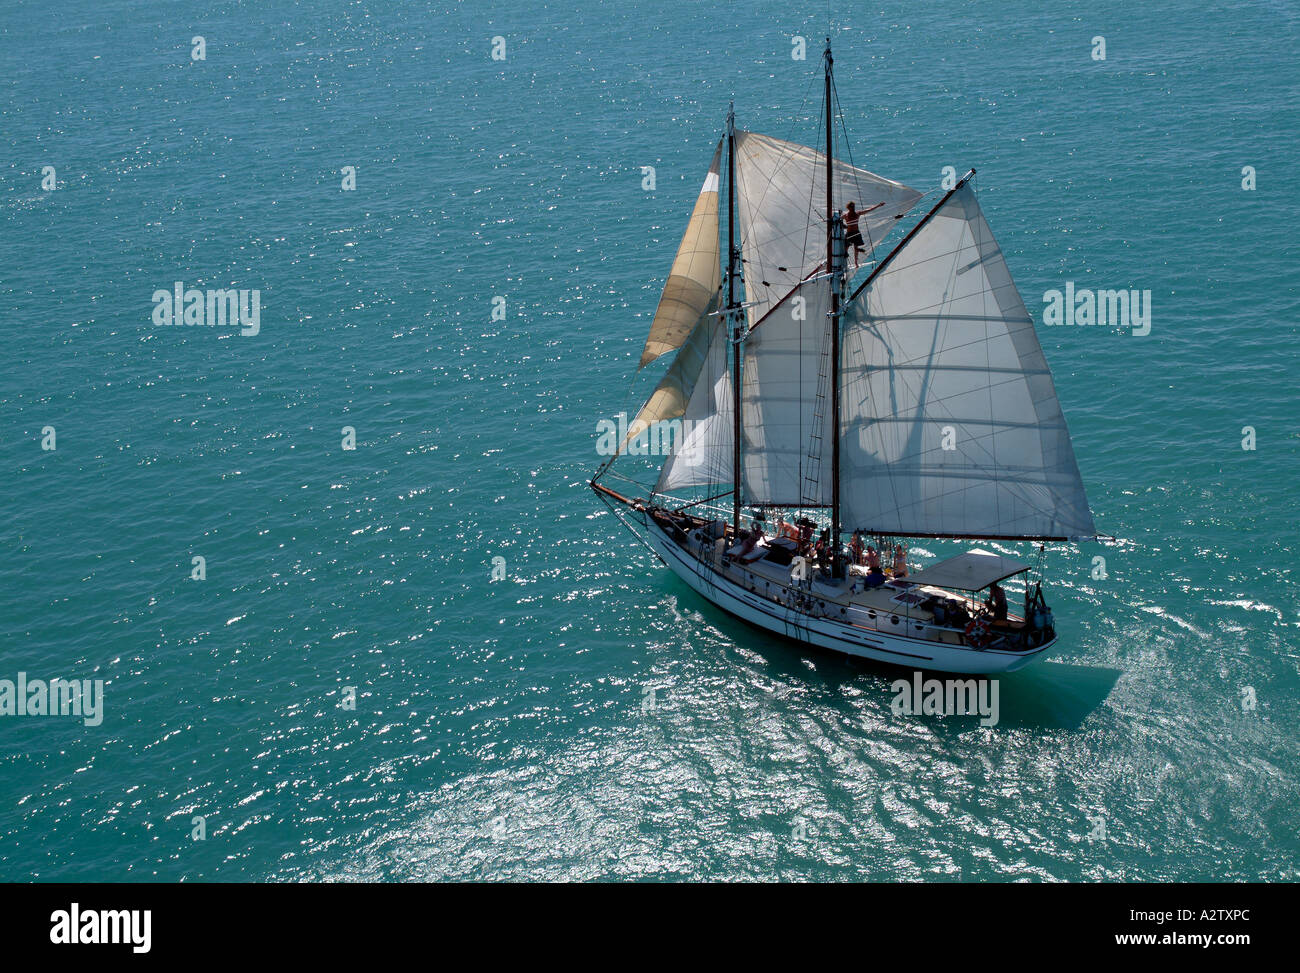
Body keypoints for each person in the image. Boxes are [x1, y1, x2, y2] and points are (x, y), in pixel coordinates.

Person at [843, 200, 884, 269]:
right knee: (847, 247)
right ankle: (848, 261)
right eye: (851, 207)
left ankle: (855, 262)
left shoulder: (855, 214)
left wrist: (878, 205)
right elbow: (869, 210)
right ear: (849, 208)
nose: (852, 208)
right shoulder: (848, 215)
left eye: (853, 207)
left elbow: (869, 210)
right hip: (852, 233)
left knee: (854, 248)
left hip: (855, 233)